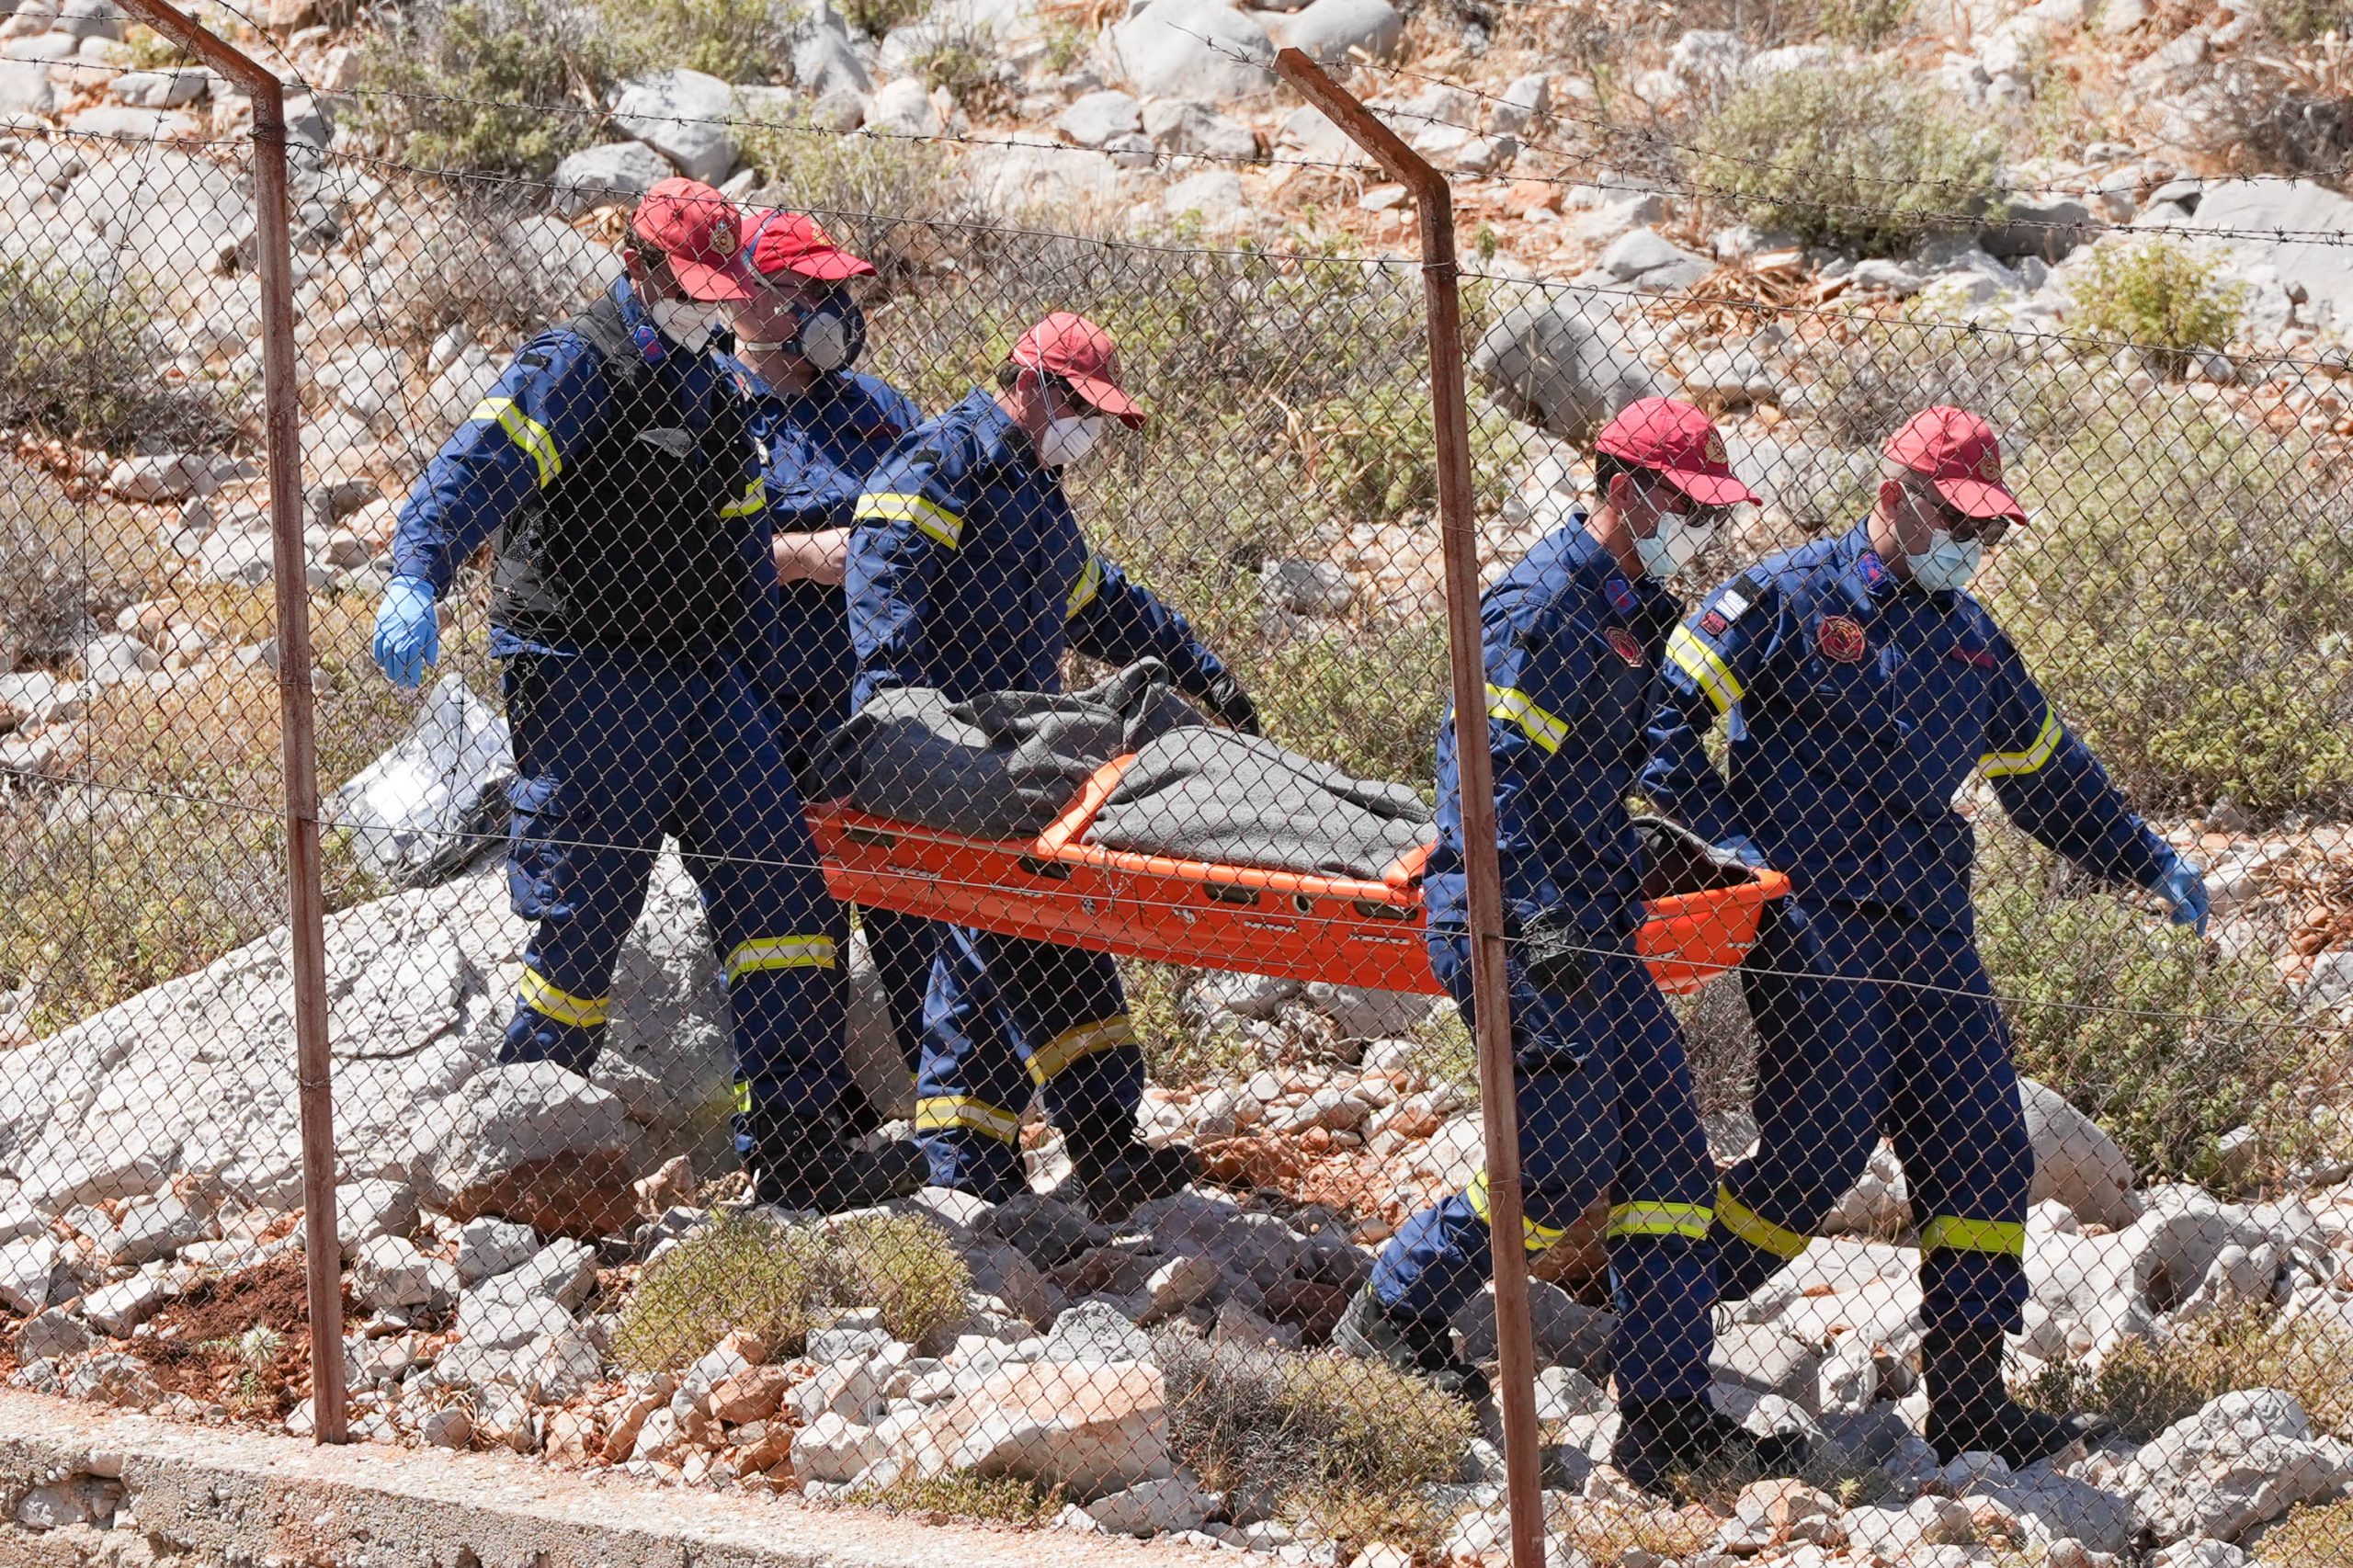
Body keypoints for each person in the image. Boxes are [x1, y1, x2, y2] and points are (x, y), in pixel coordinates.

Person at [1643, 405, 2211, 1466]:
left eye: (1989, 531)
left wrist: (2144, 859)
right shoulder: (1785, 597)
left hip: (1932, 936)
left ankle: (1968, 1401)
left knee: (1985, 1151)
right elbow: (1666, 715)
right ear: (1893, 496)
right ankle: (1658, 1324)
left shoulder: (1972, 641)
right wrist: (1718, 845)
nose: (1973, 547)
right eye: (1958, 521)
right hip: (1815, 924)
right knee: (1816, 1152)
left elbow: (2050, 778)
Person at [373, 177, 925, 1214]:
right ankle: (525, 1154)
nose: (709, 304)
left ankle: (799, 1149)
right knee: (582, 926)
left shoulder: (713, 391)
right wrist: (420, 574)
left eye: (723, 288)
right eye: (692, 283)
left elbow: (737, 553)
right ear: (637, 263)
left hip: (710, 682)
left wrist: (756, 681)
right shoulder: (581, 364)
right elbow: (475, 467)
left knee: (783, 904)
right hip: (591, 679)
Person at [1338, 398, 1807, 1493]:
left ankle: (1664, 1415)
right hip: (1517, 924)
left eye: (1708, 508)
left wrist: (1677, 850)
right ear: (1625, 488)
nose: (1700, 524)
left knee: (1668, 1172)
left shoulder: (1640, 612)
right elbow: (1485, 774)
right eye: (1686, 504)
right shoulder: (1541, 604)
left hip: (1592, 927)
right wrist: (1527, 913)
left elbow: (1615, 773)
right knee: (1551, 1173)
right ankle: (1391, 1310)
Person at [846, 312, 1258, 1219]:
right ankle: (963, 1167)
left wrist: (1207, 678)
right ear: (1033, 383)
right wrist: (908, 733)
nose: (1093, 432)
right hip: (951, 753)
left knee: (1056, 928)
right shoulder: (940, 463)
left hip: (1024, 755)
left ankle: (1097, 1145)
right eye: (1085, 409)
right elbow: (885, 600)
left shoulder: (1035, 492)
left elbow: (1102, 603)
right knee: (987, 939)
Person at [718, 207, 938, 1113]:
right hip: (760, 699)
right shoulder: (709, 408)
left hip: (870, 699)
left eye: (838, 289)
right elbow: (677, 552)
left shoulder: (877, 411)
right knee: (789, 912)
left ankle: (954, 1103)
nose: (835, 306)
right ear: (754, 302)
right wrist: (803, 557)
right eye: (812, 291)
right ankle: (807, 1116)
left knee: (912, 901)